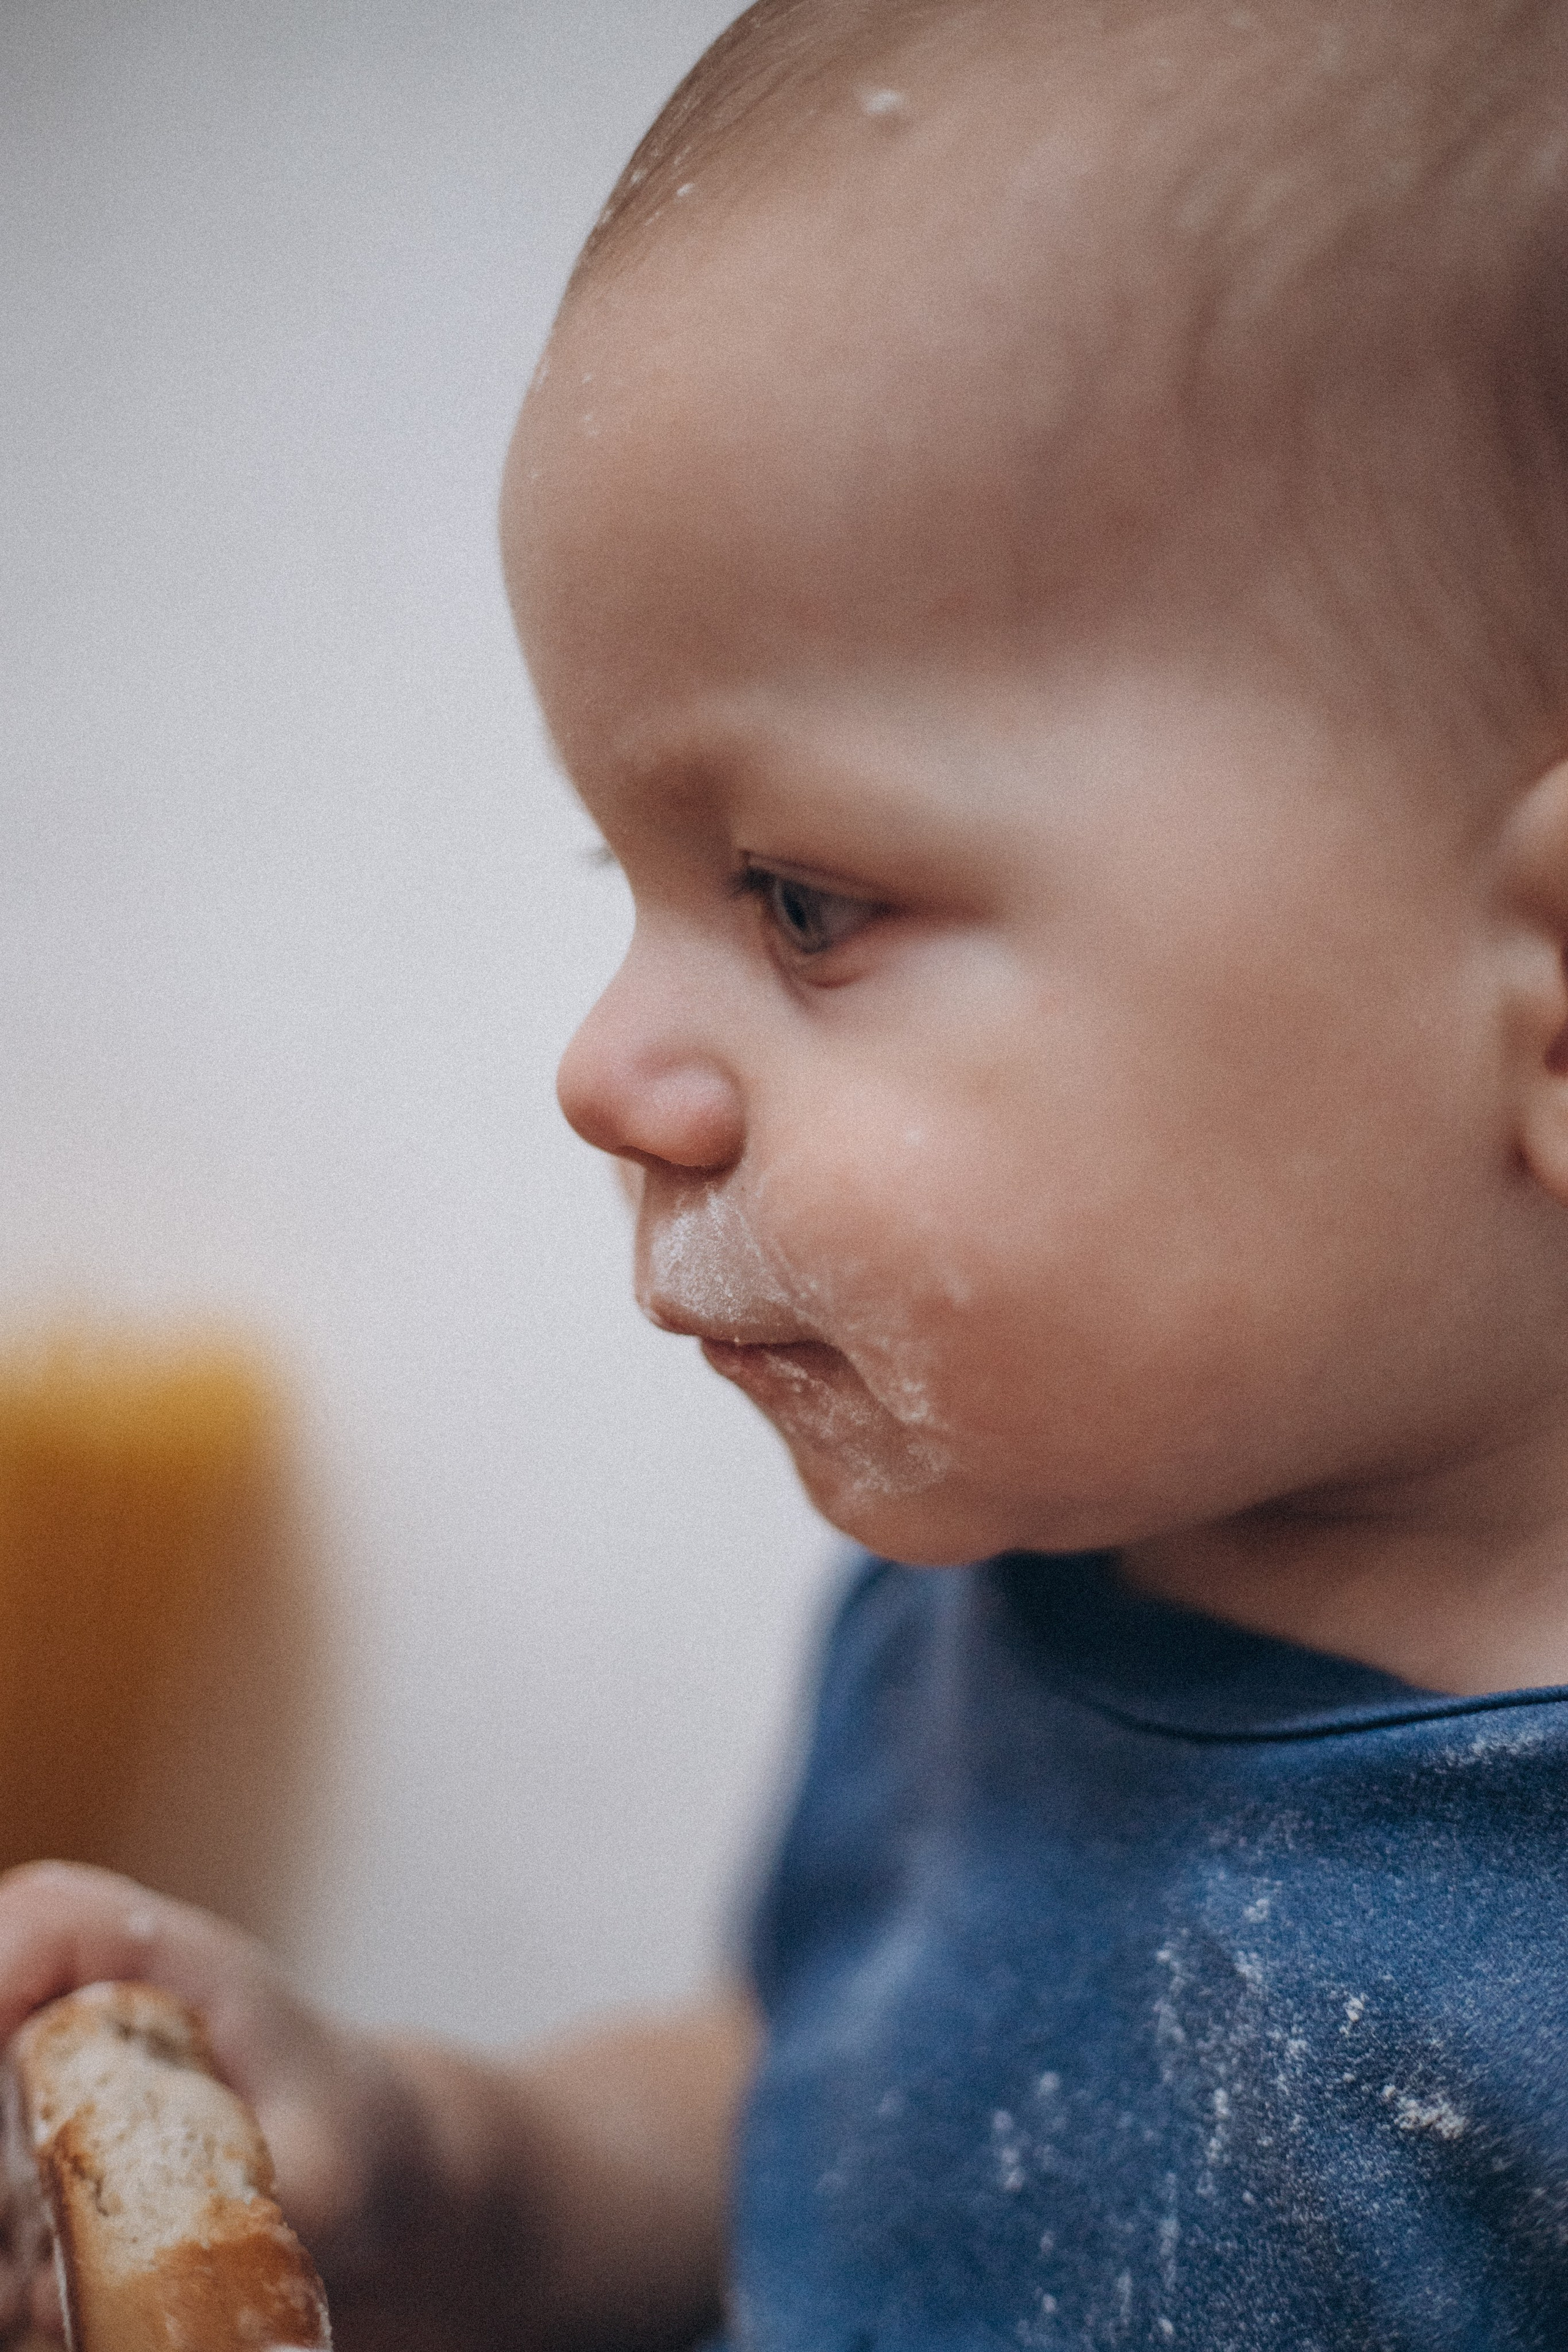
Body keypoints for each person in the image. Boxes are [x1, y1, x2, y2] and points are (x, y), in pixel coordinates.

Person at [8, 0, 1568, 2342]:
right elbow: (796, 2112)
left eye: (805, 901)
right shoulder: (986, 1602)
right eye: (624, 885)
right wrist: (436, 2166)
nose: (601, 1068)